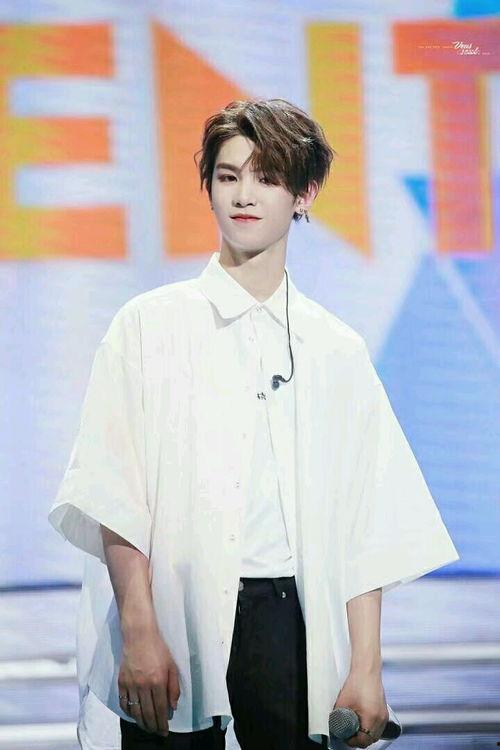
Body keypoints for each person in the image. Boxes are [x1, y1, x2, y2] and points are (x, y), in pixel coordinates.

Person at [48, 98, 459, 750]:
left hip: (287, 623)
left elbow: (367, 521)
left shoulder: (335, 349)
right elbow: (113, 491)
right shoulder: (147, 326)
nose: (244, 194)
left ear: (304, 193)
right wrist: (141, 631)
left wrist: (366, 668)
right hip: (173, 613)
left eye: (267, 177)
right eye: (228, 175)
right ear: (208, 186)